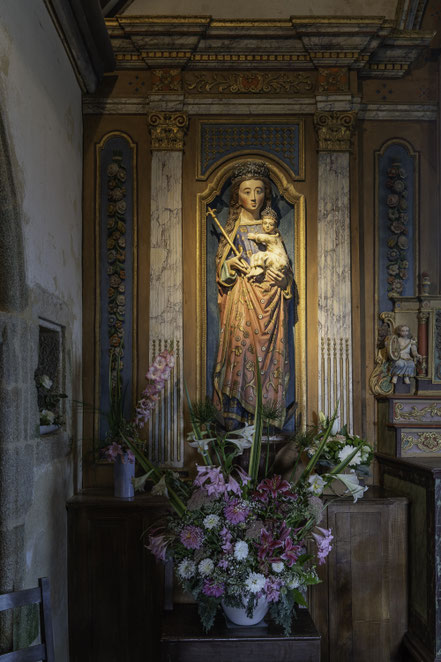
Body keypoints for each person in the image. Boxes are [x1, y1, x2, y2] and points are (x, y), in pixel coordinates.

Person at [212, 160, 295, 430]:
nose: (253, 197)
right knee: (241, 351)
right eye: (247, 191)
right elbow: (221, 274)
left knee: (268, 361)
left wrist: (282, 280)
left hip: (271, 303)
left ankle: (267, 420)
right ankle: (236, 417)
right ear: (237, 194)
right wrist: (230, 265)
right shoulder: (233, 230)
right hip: (242, 299)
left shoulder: (272, 232)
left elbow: (285, 271)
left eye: (259, 191)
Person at [246, 207, 290, 281]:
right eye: (265, 223)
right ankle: (254, 270)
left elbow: (265, 238)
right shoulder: (273, 236)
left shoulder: (275, 238)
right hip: (274, 257)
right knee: (255, 256)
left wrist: (254, 236)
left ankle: (259, 270)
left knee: (262, 255)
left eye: (271, 224)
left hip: (279, 260)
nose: (267, 226)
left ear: (275, 226)